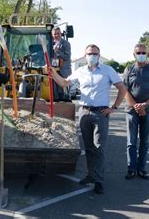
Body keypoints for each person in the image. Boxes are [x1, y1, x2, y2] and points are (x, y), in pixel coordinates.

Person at [49, 44, 126, 194]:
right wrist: (52, 73)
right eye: (89, 53)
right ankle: (91, 175)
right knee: (89, 147)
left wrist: (114, 107)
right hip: (84, 112)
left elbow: (122, 89)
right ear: (85, 56)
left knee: (99, 148)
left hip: (100, 114)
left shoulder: (107, 70)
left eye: (95, 53)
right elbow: (64, 83)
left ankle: (99, 180)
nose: (92, 56)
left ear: (99, 54)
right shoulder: (81, 71)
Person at [123, 43, 149, 180]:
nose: (141, 55)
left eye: (143, 53)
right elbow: (125, 90)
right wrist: (136, 107)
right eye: (138, 53)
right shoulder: (129, 69)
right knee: (131, 142)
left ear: (148, 54)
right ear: (134, 55)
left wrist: (145, 105)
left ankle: (141, 168)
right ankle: (131, 168)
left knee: (144, 141)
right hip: (131, 111)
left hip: (148, 110)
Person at [51, 26, 72, 101]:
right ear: (52, 35)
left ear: (61, 34)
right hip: (53, 71)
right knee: (54, 92)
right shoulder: (49, 44)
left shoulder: (66, 44)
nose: (56, 35)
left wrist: (57, 51)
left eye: (58, 33)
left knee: (63, 94)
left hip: (63, 71)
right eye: (55, 34)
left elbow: (67, 57)